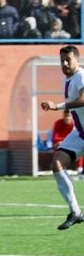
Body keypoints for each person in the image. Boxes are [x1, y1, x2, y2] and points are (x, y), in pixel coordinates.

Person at [39, 45, 84, 230]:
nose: (64, 63)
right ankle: (75, 212)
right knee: (57, 164)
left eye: (68, 60)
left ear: (77, 60)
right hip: (80, 133)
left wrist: (56, 106)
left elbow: (83, 99)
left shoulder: (81, 75)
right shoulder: (68, 79)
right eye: (62, 61)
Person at [51, 109, 84, 179]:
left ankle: (80, 171)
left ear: (71, 116)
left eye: (68, 116)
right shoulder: (58, 123)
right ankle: (62, 170)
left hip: (75, 144)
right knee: (59, 156)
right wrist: (60, 142)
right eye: (65, 116)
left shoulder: (75, 125)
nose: (67, 118)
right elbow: (55, 138)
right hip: (60, 144)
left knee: (80, 148)